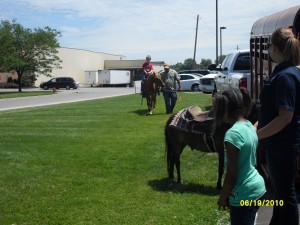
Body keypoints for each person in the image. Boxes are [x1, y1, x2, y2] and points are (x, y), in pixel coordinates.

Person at [255, 27, 300, 225]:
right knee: (280, 192)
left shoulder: (285, 76)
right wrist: (255, 126)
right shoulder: (284, 72)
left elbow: (285, 117)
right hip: (278, 144)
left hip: (282, 145)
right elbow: (272, 111)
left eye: (268, 47)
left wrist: (257, 136)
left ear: (274, 47)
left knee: (286, 194)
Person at [215, 88, 266, 225]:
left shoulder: (233, 134)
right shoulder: (248, 125)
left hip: (244, 195)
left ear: (225, 110)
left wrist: (223, 196)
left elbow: (232, 174)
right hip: (258, 188)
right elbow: (255, 128)